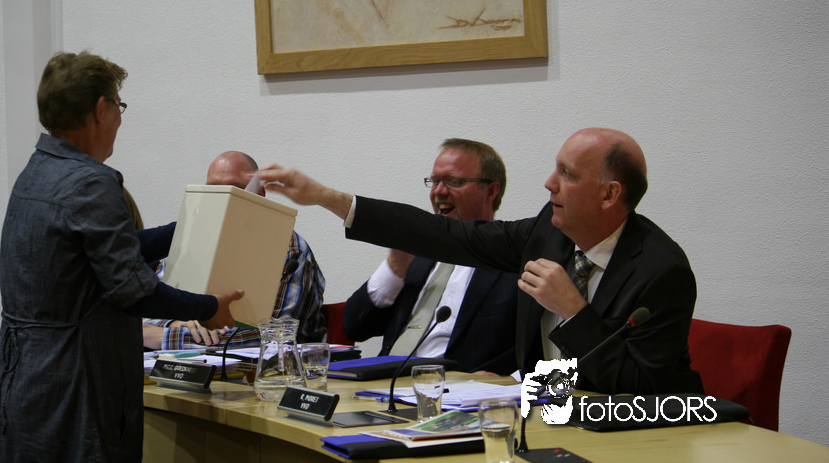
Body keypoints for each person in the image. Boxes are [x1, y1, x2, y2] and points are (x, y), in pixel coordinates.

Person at [0, 51, 243, 463]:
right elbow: (132, 288)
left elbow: (102, 252)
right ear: (100, 109)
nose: (120, 120)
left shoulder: (38, 171)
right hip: (76, 390)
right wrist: (208, 307)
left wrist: (195, 225)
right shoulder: (90, 181)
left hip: (25, 384)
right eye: (120, 107)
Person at [259, 128, 704, 396]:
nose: (549, 183)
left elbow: (644, 390)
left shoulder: (660, 271)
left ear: (609, 194)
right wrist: (327, 197)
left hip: (625, 437)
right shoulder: (546, 233)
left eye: (567, 174)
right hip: (545, 416)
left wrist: (573, 311)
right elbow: (445, 235)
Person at [343, 138, 518, 374]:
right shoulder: (419, 254)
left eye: (453, 181)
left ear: (490, 191)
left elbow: (541, 347)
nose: (439, 191)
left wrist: (511, 380)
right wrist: (394, 266)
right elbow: (355, 327)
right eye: (435, 181)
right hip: (384, 382)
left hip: (456, 389)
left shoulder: (513, 262)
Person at [142, 151, 327, 348]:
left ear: (260, 194)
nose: (224, 197)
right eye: (214, 189)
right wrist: (173, 323)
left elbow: (271, 335)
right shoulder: (193, 237)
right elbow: (147, 307)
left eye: (234, 188)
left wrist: (162, 336)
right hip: (186, 360)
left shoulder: (289, 250)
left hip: (274, 365)